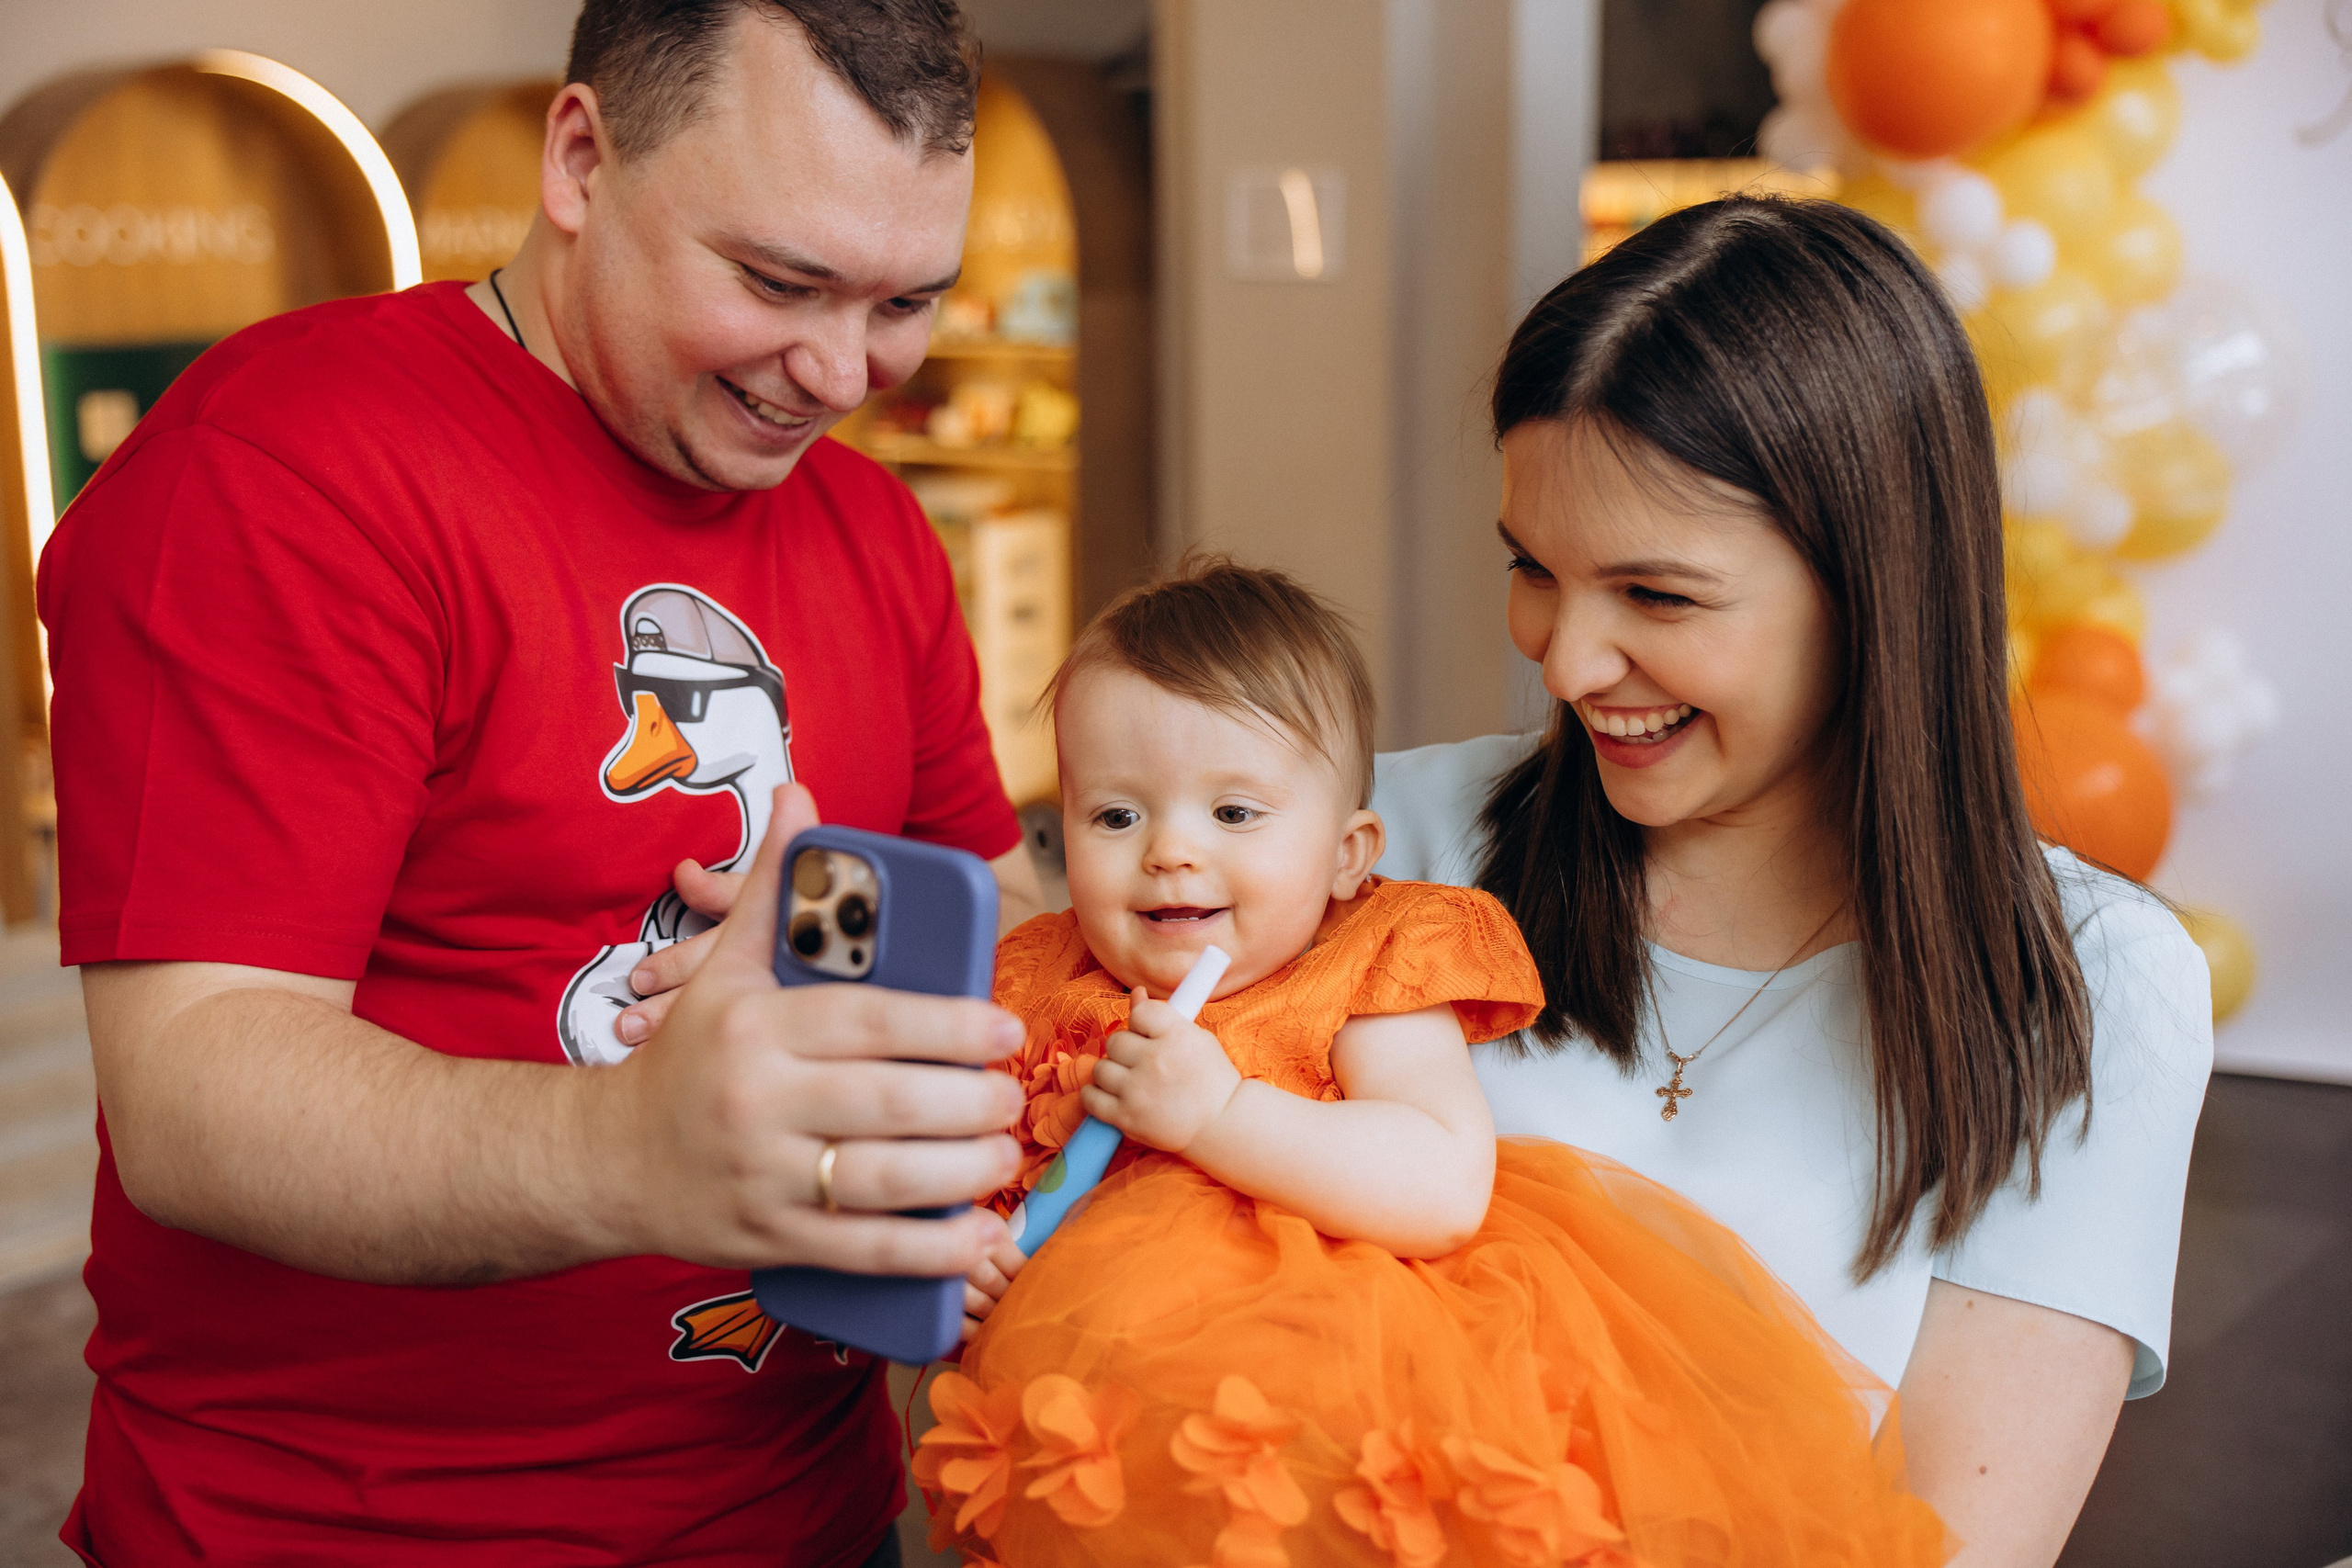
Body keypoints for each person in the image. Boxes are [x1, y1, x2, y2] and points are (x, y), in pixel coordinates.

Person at [42, 2, 1042, 1563]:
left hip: (817, 1509)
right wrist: (642, 1145)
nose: (844, 368)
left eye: (907, 300)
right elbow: (193, 1093)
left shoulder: (876, 534)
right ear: (580, 157)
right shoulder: (284, 469)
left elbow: (1008, 912)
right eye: (779, 282)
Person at [1367, 197, 2212, 1566]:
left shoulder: (2092, 985)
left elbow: (1953, 1539)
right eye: (1533, 568)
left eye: (1658, 596)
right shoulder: (1384, 840)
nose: (1566, 661)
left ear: (1872, 587)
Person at [925, 562, 1946, 1567]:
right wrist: (960, 1255)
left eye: (1233, 814)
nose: (1169, 852)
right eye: (1115, 816)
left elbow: (1440, 1182)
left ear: (1345, 853)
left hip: (1324, 1432)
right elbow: (979, 1175)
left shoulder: (1364, 960)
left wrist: (1216, 1115)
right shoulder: (1033, 984)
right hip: (1094, 1454)